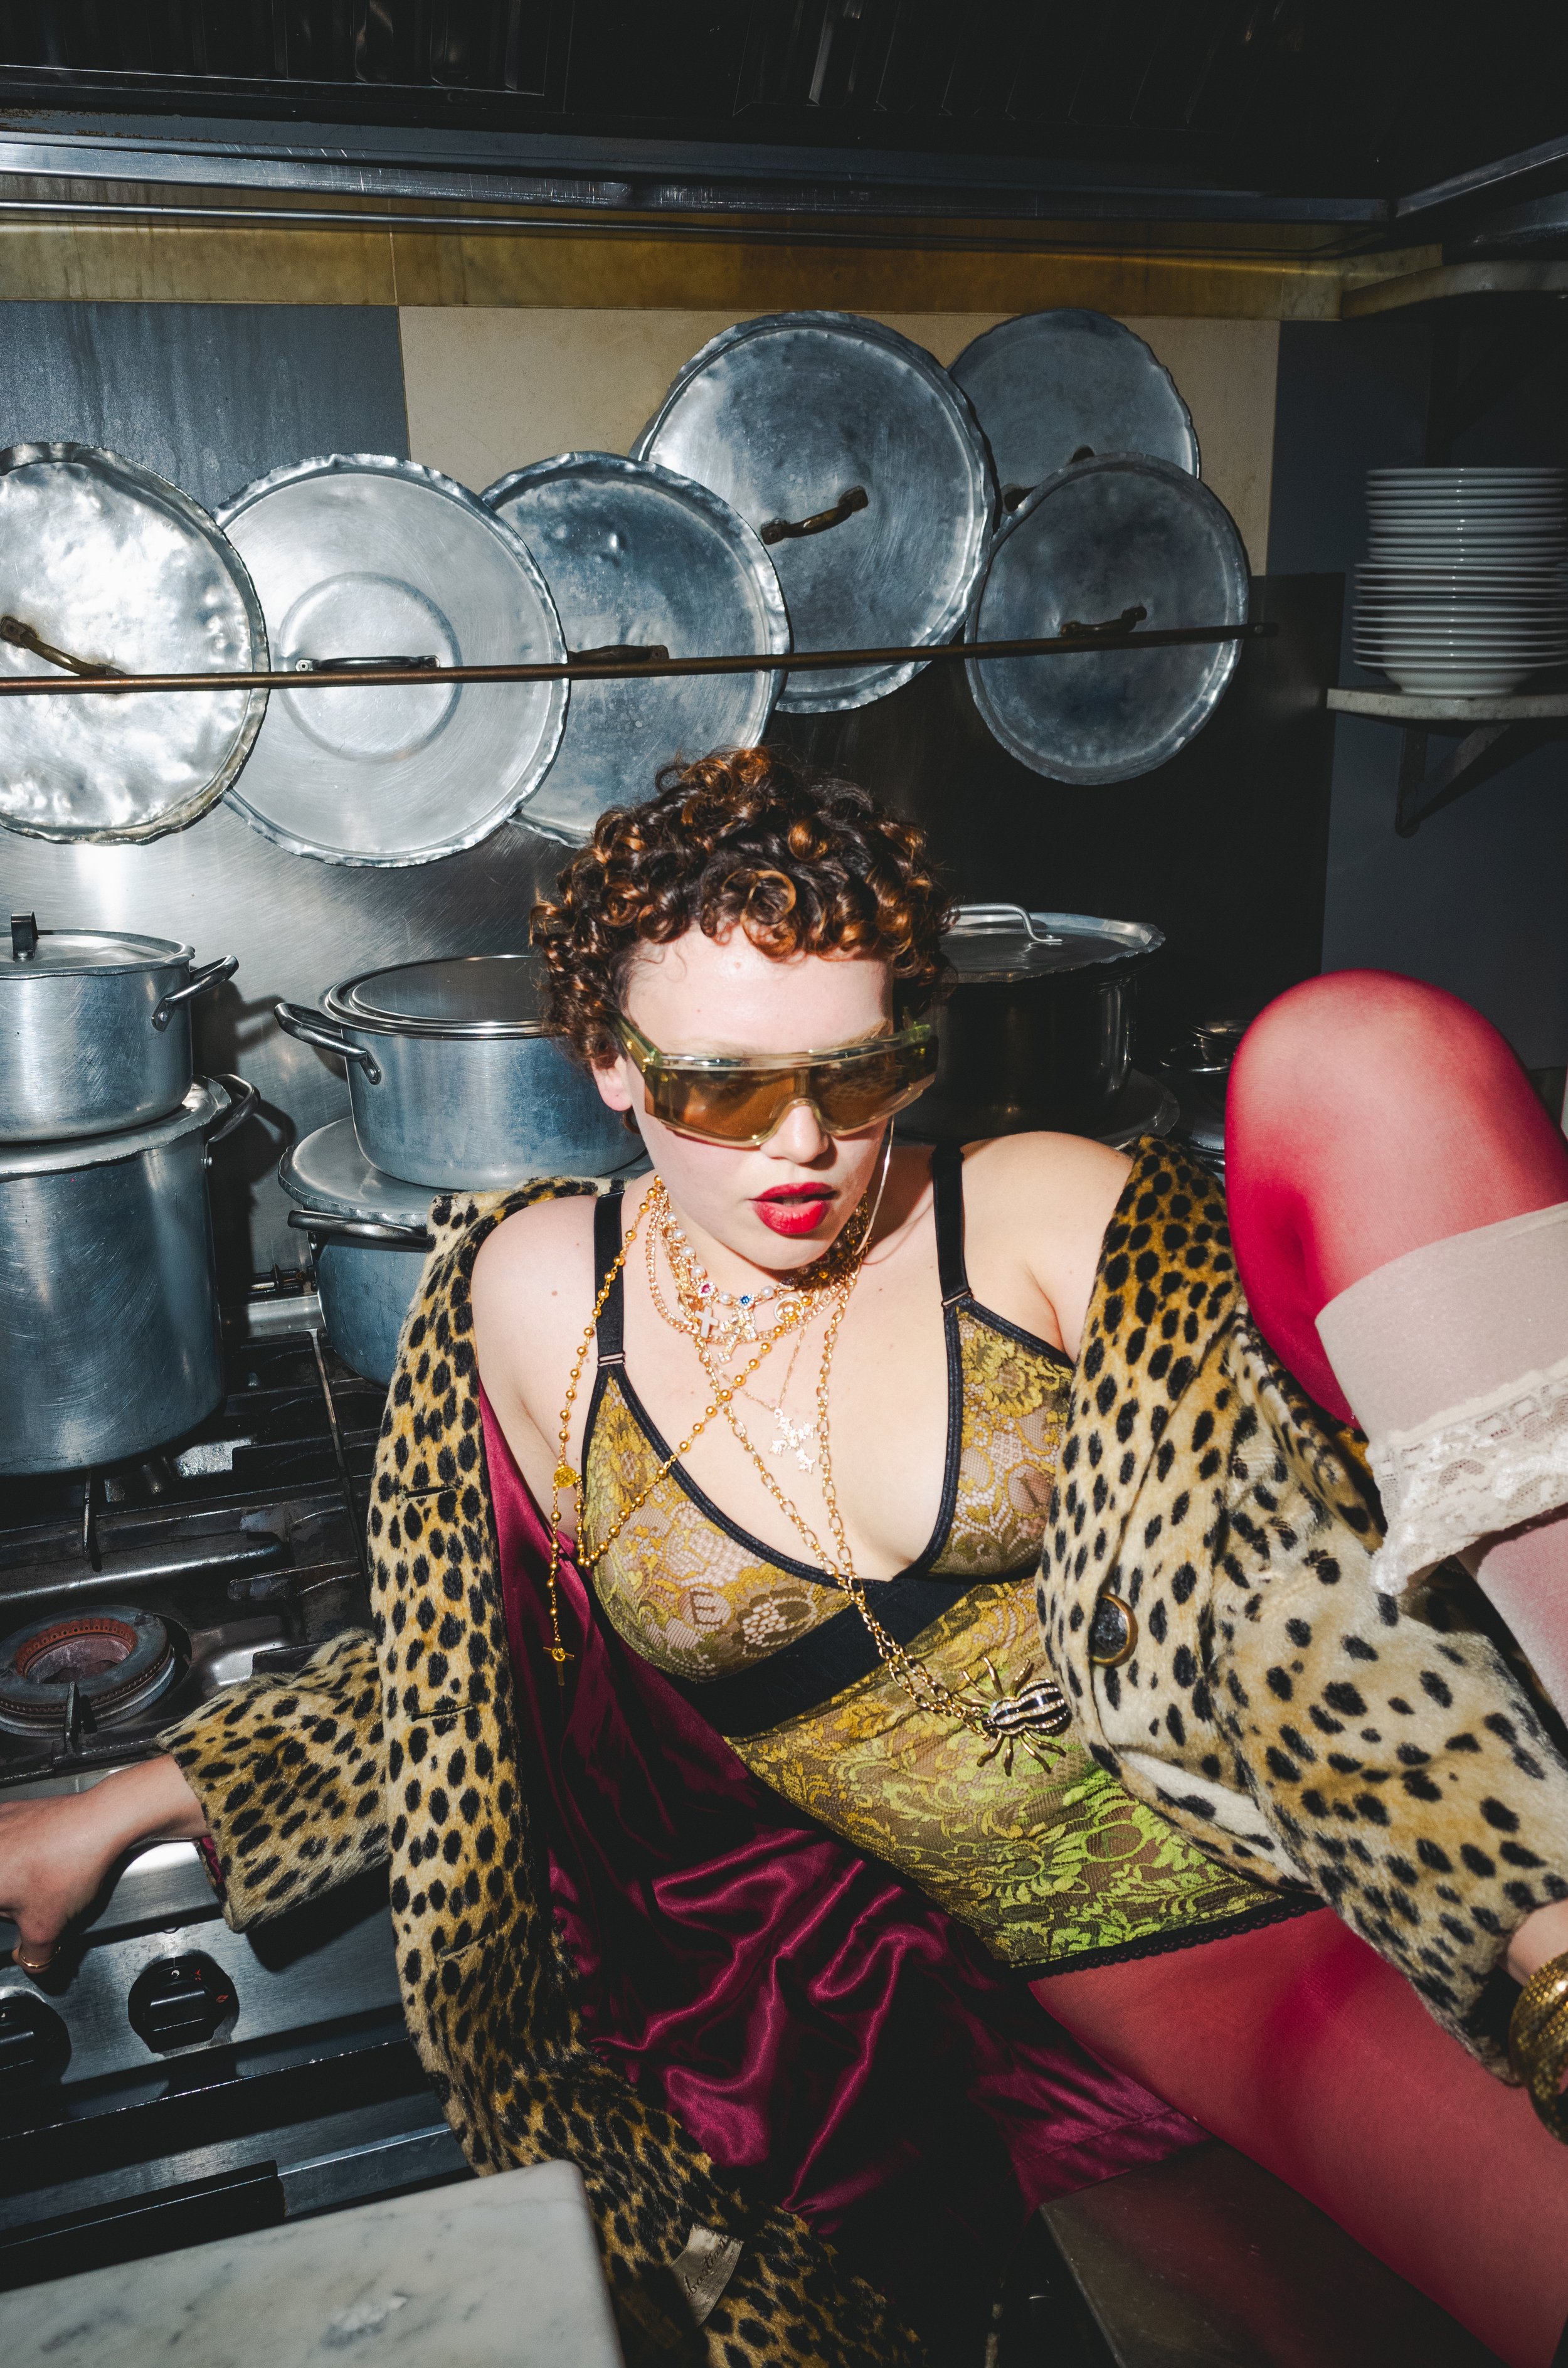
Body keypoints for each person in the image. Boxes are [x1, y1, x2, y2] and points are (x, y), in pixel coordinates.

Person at [4, 749, 1568, 2367]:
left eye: (864, 1070)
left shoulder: (1036, 1212)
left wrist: (1535, 1927)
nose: (807, 1146)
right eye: (723, 1087)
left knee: (1357, 1047)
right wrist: (126, 1802)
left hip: (1356, 1807)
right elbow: (476, 1679)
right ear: (607, 1060)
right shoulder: (540, 1302)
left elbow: (1291, 1598)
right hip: (1172, 1956)